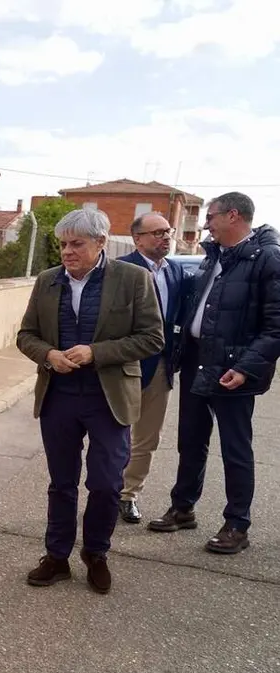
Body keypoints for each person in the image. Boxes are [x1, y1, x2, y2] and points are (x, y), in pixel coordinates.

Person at [18, 208, 163, 594]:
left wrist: (95, 352)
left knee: (106, 484)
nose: (67, 251)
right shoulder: (48, 281)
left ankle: (96, 553)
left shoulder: (133, 279)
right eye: (63, 244)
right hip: (59, 398)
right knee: (61, 483)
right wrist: (49, 355)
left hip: (108, 399)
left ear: (101, 243)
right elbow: (26, 335)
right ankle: (58, 557)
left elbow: (152, 338)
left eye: (77, 244)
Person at [148, 192, 280, 554]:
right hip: (196, 362)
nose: (206, 224)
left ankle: (237, 524)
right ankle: (183, 507)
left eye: (212, 217)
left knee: (236, 448)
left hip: (233, 370)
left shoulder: (267, 258)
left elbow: (276, 326)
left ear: (233, 216)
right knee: (190, 440)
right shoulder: (213, 257)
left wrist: (244, 368)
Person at [116, 212, 188, 524]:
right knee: (113, 433)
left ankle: (128, 494)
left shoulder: (175, 271)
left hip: (160, 366)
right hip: (124, 364)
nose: (165, 237)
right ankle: (105, 489)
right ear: (138, 239)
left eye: (167, 231)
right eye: (156, 232)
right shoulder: (119, 270)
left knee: (147, 437)